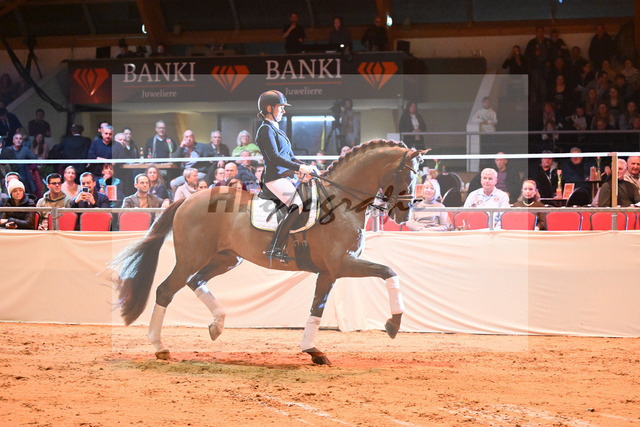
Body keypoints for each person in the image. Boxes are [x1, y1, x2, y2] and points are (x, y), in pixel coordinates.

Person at [255, 89, 317, 262]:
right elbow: (274, 158)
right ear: (269, 108)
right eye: (280, 107)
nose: (283, 110)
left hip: (284, 177)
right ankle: (274, 248)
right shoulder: (265, 130)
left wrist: (306, 166)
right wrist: (299, 167)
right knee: (297, 205)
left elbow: (289, 157)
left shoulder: (277, 130)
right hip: (274, 178)